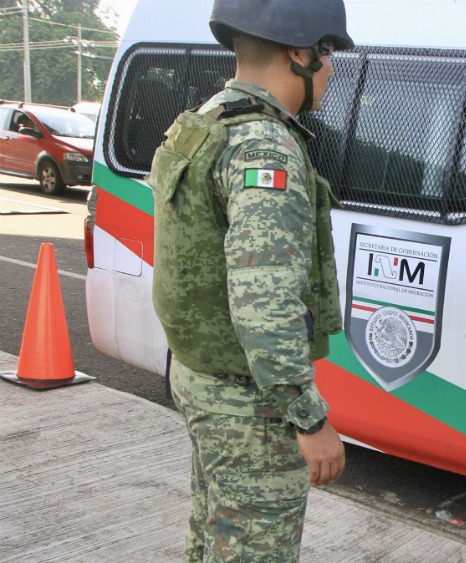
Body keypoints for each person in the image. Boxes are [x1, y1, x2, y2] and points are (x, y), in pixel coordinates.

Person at [148, 1, 353, 561]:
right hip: (249, 406)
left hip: (199, 377)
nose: (332, 69)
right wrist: (308, 418)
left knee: (211, 539)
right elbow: (262, 302)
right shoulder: (264, 147)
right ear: (299, 52)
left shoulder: (205, 121)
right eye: (329, 52)